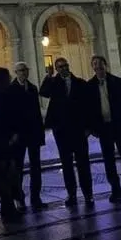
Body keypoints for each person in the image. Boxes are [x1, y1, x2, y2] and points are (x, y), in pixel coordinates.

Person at [40, 57, 94, 208]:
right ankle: (71, 194)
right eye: (60, 67)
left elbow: (88, 106)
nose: (63, 69)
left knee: (83, 163)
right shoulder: (54, 83)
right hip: (62, 131)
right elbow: (43, 92)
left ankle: (88, 194)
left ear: (69, 66)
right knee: (67, 164)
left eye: (65, 66)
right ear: (56, 69)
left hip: (79, 130)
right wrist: (49, 76)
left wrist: (89, 128)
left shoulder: (80, 83)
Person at [88, 55, 121, 207]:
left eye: (100, 64)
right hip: (104, 129)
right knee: (109, 162)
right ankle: (116, 190)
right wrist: (93, 128)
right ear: (93, 67)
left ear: (106, 65)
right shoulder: (90, 85)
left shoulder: (118, 82)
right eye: (95, 64)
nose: (98, 67)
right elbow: (88, 110)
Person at [8, 61, 47, 211]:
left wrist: (41, 134)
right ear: (16, 72)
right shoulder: (10, 90)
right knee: (18, 169)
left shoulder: (32, 88)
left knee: (36, 167)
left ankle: (36, 198)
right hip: (19, 136)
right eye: (21, 70)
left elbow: (37, 114)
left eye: (25, 70)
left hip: (33, 135)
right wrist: (12, 134)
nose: (24, 73)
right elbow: (9, 115)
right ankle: (19, 198)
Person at [0, 67, 23, 220]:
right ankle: (8, 209)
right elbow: (5, 115)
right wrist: (13, 134)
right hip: (5, 137)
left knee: (2, 174)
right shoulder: (3, 93)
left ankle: (6, 207)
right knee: (7, 173)